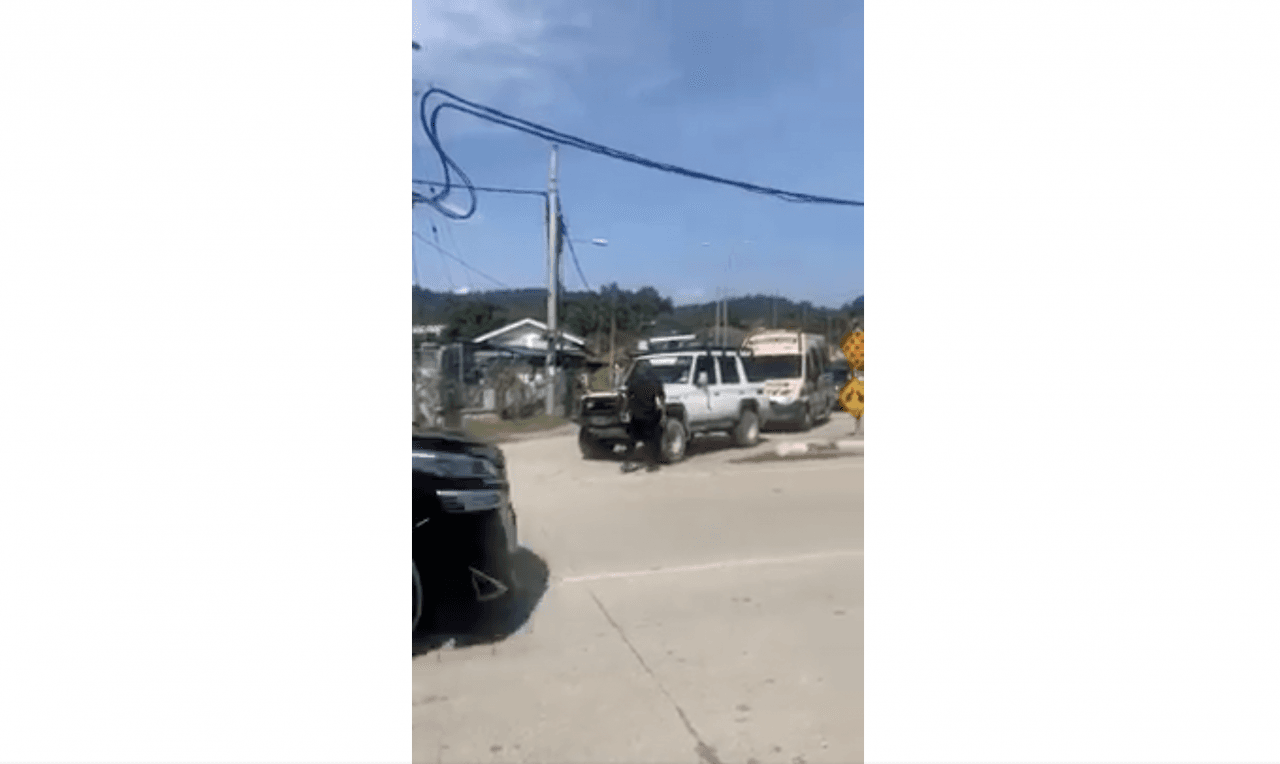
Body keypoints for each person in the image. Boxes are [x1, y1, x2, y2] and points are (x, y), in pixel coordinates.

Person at [620, 365, 666, 473]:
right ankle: (652, 464)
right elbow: (661, 397)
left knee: (632, 441)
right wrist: (663, 413)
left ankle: (627, 463)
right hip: (650, 414)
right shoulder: (655, 381)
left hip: (635, 414)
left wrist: (625, 410)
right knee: (652, 440)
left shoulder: (634, 382)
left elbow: (627, 396)